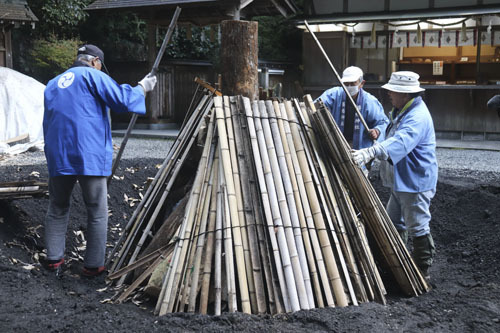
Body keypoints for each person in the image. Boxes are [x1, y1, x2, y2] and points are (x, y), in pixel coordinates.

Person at [42, 44, 157, 276]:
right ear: (95, 61)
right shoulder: (94, 76)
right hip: (89, 154)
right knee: (96, 210)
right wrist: (142, 88)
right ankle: (93, 265)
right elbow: (122, 100)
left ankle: (54, 260)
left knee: (57, 207)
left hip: (59, 154)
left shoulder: (53, 83)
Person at [352, 71, 438, 282]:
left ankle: (421, 270)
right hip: (402, 180)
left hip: (415, 181)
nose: (389, 94)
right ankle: (398, 264)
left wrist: (371, 151)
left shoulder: (417, 117)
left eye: (393, 91)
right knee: (394, 222)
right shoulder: (402, 111)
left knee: (417, 225)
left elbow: (400, 142)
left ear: (404, 94)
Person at [316, 66, 389, 150]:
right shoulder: (333, 95)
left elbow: (383, 122)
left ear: (362, 83)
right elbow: (315, 106)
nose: (349, 86)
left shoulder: (369, 101)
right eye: (346, 83)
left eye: (353, 83)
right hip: (335, 144)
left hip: (361, 148)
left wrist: (377, 130)